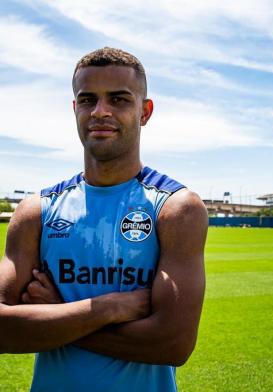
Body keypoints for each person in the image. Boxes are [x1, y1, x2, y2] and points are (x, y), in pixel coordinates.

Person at [0, 47, 208, 391]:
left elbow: (172, 344)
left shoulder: (175, 208)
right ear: (75, 109)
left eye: (119, 99)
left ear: (145, 111)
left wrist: (57, 312)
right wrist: (108, 308)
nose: (100, 111)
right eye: (87, 100)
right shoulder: (36, 211)